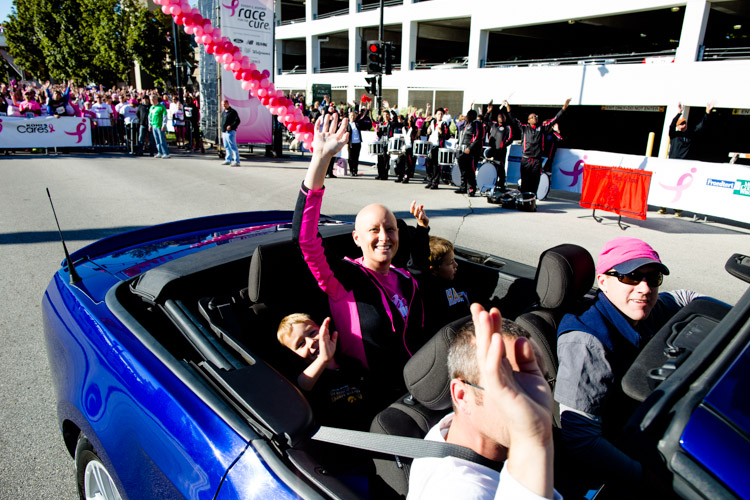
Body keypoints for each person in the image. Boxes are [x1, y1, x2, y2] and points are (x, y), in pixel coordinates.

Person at [292, 114, 427, 406]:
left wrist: (424, 231)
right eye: (373, 230)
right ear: (356, 239)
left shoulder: (405, 278)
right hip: (376, 397)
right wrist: (320, 159)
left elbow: (419, 272)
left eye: (390, 229)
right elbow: (305, 239)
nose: (384, 237)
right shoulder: (343, 281)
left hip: (417, 387)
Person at [555, 237, 705, 496]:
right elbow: (581, 439)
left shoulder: (646, 309)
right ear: (603, 282)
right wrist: (645, 478)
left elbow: (686, 297)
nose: (645, 288)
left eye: (653, 278)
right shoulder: (586, 340)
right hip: (620, 458)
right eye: (631, 277)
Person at [408, 304, 559, 500]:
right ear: (462, 396)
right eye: (508, 384)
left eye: (539, 379)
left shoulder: (450, 428)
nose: (531, 400)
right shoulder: (462, 492)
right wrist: (532, 442)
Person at [276, 314, 373, 429]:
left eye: (312, 333)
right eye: (301, 344)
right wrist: (323, 359)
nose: (311, 342)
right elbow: (301, 386)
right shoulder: (310, 380)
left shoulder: (351, 364)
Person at [506, 98, 571, 196]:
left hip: (537, 160)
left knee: (535, 181)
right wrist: (508, 107)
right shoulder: (523, 127)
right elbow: (513, 118)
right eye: (532, 117)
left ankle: (532, 200)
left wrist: (564, 107)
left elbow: (555, 119)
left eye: (536, 116)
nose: (535, 117)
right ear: (528, 120)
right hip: (526, 159)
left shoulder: (542, 128)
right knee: (525, 181)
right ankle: (524, 200)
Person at [659, 101, 714, 216]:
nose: (684, 124)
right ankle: (663, 206)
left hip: (684, 166)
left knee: (681, 187)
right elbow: (671, 126)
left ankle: (678, 209)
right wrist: (679, 113)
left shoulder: (690, 134)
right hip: (673, 164)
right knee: (668, 184)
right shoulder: (674, 135)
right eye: (681, 123)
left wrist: (707, 113)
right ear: (678, 126)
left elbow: (701, 126)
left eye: (685, 123)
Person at [455, 109, 484, 196]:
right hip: (462, 149)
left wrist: (470, 148)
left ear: (472, 116)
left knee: (470, 170)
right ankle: (463, 187)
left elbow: (478, 137)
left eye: (468, 115)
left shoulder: (476, 124)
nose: (466, 117)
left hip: (471, 152)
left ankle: (471, 188)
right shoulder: (465, 124)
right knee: (463, 169)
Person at [425, 108, 452, 190]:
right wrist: (428, 131)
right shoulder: (432, 122)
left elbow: (447, 136)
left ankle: (435, 182)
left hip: (438, 146)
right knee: (428, 163)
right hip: (430, 144)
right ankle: (430, 180)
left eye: (441, 114)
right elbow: (427, 132)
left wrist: (441, 132)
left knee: (436, 165)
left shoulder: (444, 124)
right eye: (438, 114)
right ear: (435, 115)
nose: (440, 115)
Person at [486, 112, 513, 189]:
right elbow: (486, 121)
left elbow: (510, 138)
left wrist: (503, 145)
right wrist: (489, 112)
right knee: (493, 166)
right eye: (499, 117)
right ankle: (493, 181)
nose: (500, 118)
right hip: (493, 149)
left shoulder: (507, 127)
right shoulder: (494, 125)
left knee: (500, 167)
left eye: (502, 117)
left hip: (501, 150)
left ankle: (501, 183)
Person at [221, 99, 241, 166]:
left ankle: (237, 161)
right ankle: (228, 159)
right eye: (222, 105)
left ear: (228, 104)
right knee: (226, 146)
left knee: (233, 146)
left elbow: (237, 121)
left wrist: (231, 126)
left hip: (231, 132)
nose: (224, 106)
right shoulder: (223, 112)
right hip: (224, 132)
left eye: (225, 104)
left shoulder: (232, 112)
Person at [347, 110, 364, 177]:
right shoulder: (347, 124)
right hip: (351, 143)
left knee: (356, 158)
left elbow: (363, 116)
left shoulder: (357, 123)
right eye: (351, 115)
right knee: (350, 158)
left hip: (357, 142)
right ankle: (351, 170)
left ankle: (355, 171)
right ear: (349, 116)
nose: (352, 117)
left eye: (353, 115)